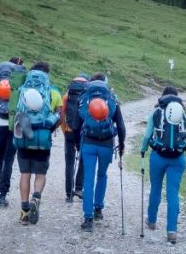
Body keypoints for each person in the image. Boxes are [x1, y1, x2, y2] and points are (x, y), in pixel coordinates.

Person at [73, 73, 126, 232]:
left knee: (88, 179)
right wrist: (121, 144)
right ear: (105, 83)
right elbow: (121, 125)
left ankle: (88, 219)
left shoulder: (85, 97)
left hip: (88, 143)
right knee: (102, 175)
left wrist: (77, 144)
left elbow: (76, 125)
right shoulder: (111, 98)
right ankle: (98, 210)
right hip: (106, 144)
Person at [12, 61, 62, 225]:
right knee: (40, 174)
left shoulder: (21, 90)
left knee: (25, 174)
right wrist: (48, 128)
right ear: (47, 75)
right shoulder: (53, 92)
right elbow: (59, 116)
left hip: (23, 139)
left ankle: (24, 211)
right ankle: (36, 197)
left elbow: (14, 111)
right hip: (42, 139)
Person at [141, 86, 186, 244]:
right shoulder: (182, 112)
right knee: (173, 194)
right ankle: (172, 232)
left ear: (162, 97)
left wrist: (143, 150)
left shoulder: (156, 112)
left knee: (155, 189)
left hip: (158, 156)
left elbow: (148, 135)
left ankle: (152, 221)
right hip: (178, 158)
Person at [0, 57, 25, 207]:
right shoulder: (21, 84)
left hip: (0, 123)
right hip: (15, 125)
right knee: (9, 159)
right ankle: (2, 195)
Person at [59, 74, 88, 203]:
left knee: (69, 163)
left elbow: (61, 116)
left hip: (69, 132)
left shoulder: (66, 96)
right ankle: (79, 188)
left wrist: (65, 130)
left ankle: (68, 194)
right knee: (83, 160)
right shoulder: (88, 96)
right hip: (83, 134)